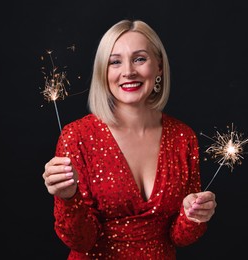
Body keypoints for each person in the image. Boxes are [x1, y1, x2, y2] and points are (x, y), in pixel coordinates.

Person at [42, 19, 217, 260]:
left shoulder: (183, 137)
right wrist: (67, 198)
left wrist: (194, 215)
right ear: (104, 72)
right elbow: (80, 241)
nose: (128, 71)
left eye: (140, 59)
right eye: (115, 62)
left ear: (159, 67)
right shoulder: (76, 137)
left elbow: (179, 238)